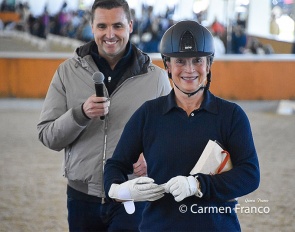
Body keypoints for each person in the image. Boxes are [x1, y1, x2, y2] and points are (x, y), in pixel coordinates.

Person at [104, 20, 260, 231]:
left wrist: (197, 185)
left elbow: (250, 175)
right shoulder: (148, 114)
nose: (189, 70)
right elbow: (116, 164)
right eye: (180, 61)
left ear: (209, 64)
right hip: (159, 226)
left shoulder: (231, 116)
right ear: (167, 65)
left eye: (197, 60)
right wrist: (118, 190)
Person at [37, 0, 171, 231]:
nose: (110, 34)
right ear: (92, 27)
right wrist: (80, 114)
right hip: (82, 197)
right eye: (102, 26)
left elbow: (172, 137)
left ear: (130, 25)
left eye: (117, 26)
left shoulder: (156, 78)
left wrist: (153, 157)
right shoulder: (66, 72)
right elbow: (48, 136)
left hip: (133, 194)